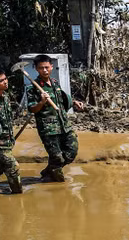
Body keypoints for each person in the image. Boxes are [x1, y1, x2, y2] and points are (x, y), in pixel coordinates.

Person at [26, 54, 85, 182]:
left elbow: (60, 101)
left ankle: (48, 172)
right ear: (36, 68)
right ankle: (59, 184)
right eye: (41, 68)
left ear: (52, 67)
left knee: (71, 152)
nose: (45, 70)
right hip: (49, 129)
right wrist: (41, 102)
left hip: (64, 125)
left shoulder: (55, 83)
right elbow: (32, 109)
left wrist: (74, 102)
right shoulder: (32, 88)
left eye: (47, 67)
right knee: (57, 158)